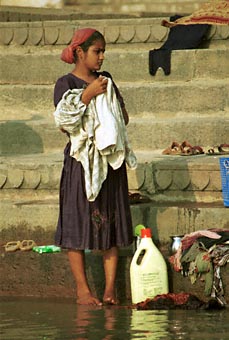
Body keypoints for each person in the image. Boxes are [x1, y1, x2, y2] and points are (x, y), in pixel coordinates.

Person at [53, 28, 137, 305]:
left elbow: (122, 117)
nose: (101, 57)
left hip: (109, 162)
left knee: (109, 222)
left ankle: (110, 290)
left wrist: (109, 106)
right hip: (80, 163)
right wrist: (87, 95)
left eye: (103, 51)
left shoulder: (107, 79)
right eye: (96, 51)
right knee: (76, 222)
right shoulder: (65, 83)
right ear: (80, 52)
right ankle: (83, 291)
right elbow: (66, 124)